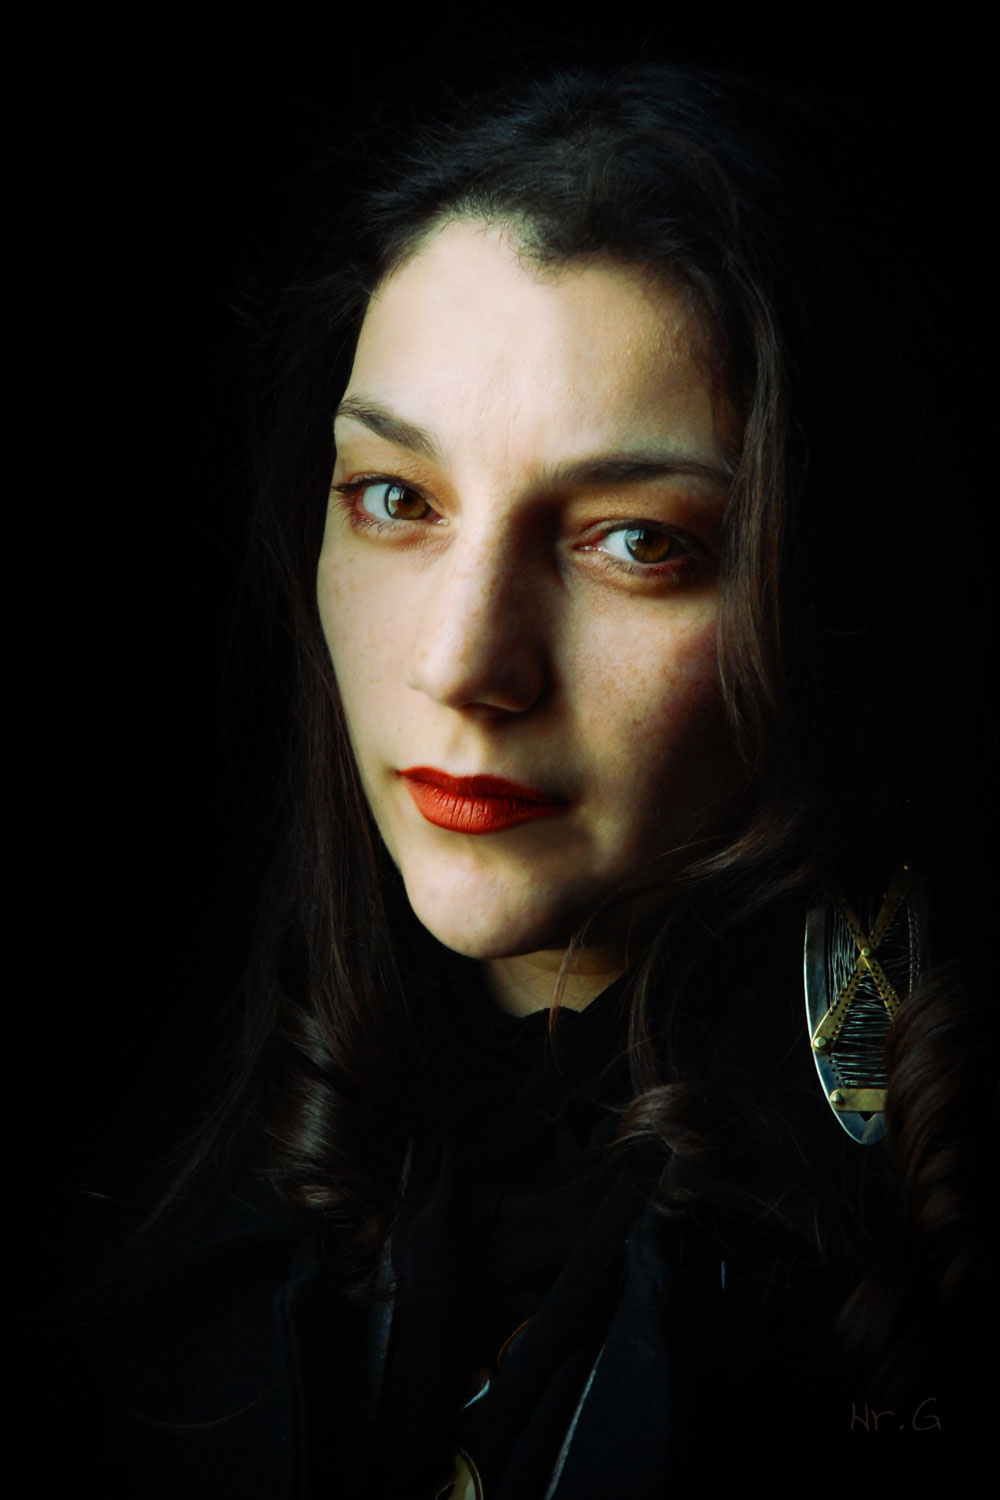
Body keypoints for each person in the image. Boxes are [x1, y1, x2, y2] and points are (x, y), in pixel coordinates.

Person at [80, 62, 991, 1495]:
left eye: (637, 541)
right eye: (397, 500)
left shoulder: (930, 1255)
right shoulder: (159, 1197)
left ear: (825, 592)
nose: (462, 662)